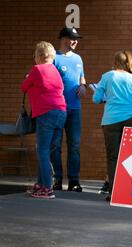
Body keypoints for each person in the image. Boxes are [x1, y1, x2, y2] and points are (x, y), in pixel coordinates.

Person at [92, 51, 132, 201]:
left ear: (114, 61)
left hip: (110, 120)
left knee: (112, 157)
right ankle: (129, 190)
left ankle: (114, 192)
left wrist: (106, 97)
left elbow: (96, 99)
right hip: (130, 118)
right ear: (128, 63)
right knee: (129, 156)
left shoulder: (107, 76)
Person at [21, 41, 67, 199]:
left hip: (46, 113)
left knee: (42, 150)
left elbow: (24, 87)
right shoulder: (55, 70)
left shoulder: (37, 69)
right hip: (61, 112)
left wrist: (29, 78)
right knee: (48, 150)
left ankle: (47, 187)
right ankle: (41, 185)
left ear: (38, 56)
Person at [51, 27, 86, 192]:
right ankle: (57, 179)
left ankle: (74, 181)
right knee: (55, 145)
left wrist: (83, 85)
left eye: (77, 39)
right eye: (73, 38)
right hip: (58, 108)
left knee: (75, 145)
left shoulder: (78, 58)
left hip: (75, 108)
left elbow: (82, 77)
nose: (75, 41)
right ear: (64, 39)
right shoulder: (54, 58)